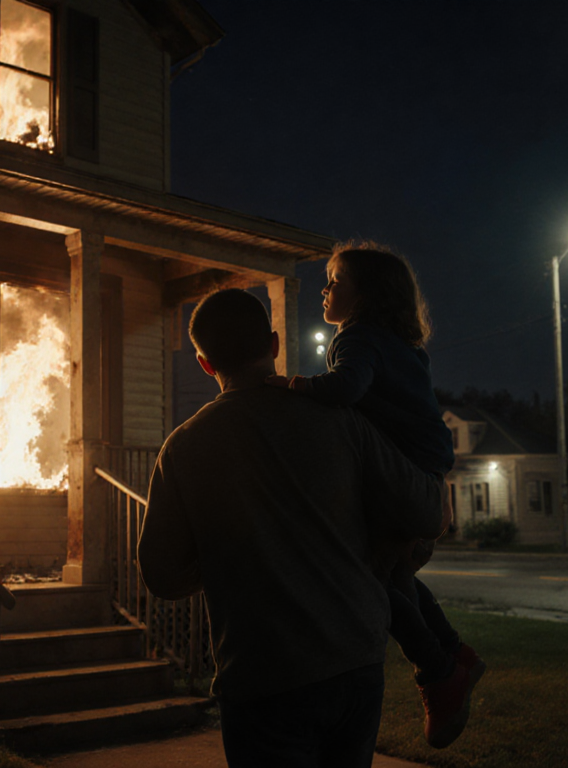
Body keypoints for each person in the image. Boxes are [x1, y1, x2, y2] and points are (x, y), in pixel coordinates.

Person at [137, 288, 444, 768]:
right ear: (275, 343)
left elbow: (162, 575)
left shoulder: (184, 447)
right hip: (355, 658)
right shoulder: (342, 421)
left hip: (263, 676)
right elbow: (428, 513)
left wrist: (228, 553)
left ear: (204, 363)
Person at [267, 241, 485, 749]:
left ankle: (438, 671)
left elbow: (344, 390)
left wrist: (293, 387)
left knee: (367, 577)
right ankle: (454, 654)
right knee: (394, 573)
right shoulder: (404, 346)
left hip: (405, 477)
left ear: (365, 294)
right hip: (425, 472)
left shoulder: (358, 336)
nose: (324, 290)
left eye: (336, 281)